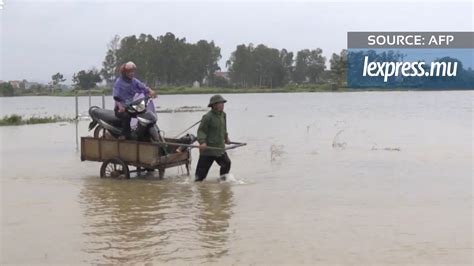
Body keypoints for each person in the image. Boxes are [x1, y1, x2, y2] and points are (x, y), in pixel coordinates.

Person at [112, 61, 155, 139]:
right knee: (126, 116)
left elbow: (142, 86)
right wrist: (120, 106)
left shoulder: (134, 81)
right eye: (129, 72)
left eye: (132, 71)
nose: (131, 73)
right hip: (120, 108)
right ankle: (125, 135)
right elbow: (116, 96)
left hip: (131, 106)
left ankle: (141, 132)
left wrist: (150, 91)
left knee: (144, 114)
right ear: (124, 73)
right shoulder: (119, 83)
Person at [195, 95, 231, 182]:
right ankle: (198, 189)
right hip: (208, 149)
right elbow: (201, 131)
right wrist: (202, 142)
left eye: (223, 103)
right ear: (214, 105)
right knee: (199, 177)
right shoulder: (208, 117)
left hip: (219, 148)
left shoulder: (223, 115)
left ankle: (222, 182)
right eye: (220, 103)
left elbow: (224, 128)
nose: (222, 105)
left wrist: (226, 138)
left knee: (226, 163)